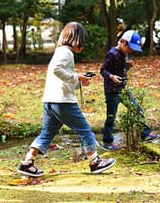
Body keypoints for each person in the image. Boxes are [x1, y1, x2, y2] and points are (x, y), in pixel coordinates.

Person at [17, 22, 116, 177]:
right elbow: (57, 70)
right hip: (63, 102)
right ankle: (95, 162)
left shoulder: (60, 51)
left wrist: (79, 81)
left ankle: (27, 163)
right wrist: (77, 76)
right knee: (85, 131)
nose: (82, 46)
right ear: (75, 39)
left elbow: (62, 78)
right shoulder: (66, 53)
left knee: (47, 133)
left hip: (50, 100)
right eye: (82, 42)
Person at [99, 30, 160, 150]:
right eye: (130, 48)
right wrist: (111, 77)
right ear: (123, 42)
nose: (131, 51)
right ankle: (107, 142)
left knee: (136, 109)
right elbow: (103, 70)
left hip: (122, 88)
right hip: (112, 91)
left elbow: (119, 68)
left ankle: (145, 134)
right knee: (111, 116)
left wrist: (126, 66)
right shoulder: (112, 53)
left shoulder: (123, 54)